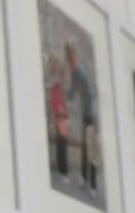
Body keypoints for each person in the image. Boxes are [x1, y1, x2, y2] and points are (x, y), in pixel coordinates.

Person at [66, 42, 99, 194]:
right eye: (71, 58)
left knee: (91, 150)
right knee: (86, 149)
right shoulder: (76, 73)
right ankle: (85, 179)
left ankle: (92, 185)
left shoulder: (81, 71)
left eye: (74, 57)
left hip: (91, 115)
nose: (73, 60)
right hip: (86, 115)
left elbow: (89, 91)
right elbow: (73, 92)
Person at [48, 55, 71, 180]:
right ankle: (63, 172)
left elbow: (61, 104)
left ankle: (63, 171)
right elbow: (55, 104)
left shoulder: (59, 88)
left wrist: (65, 113)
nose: (60, 77)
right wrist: (60, 111)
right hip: (60, 118)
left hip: (63, 118)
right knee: (62, 144)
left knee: (62, 144)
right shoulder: (55, 88)